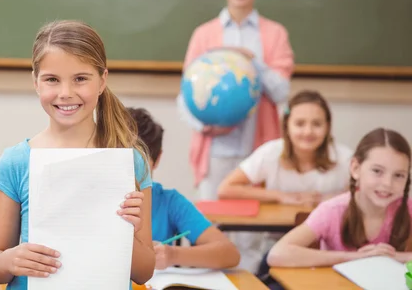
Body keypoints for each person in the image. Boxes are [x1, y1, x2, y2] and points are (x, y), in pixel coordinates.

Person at [0, 21, 155, 290]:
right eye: (52, 79)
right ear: (36, 83)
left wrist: (127, 234)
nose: (65, 93)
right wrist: (9, 260)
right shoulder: (16, 161)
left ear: (102, 81)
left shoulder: (129, 162)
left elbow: (144, 273)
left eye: (80, 78)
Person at [177, 0, 295, 200]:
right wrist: (204, 127)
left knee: (254, 232)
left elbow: (282, 92)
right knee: (213, 223)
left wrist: (253, 63)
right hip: (214, 149)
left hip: (258, 147)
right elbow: (186, 94)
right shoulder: (204, 34)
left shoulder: (275, 34)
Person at [217, 90, 352, 272]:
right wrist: (281, 196)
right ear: (286, 125)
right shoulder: (271, 153)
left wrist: (336, 198)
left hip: (329, 249)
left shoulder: (344, 158)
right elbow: (226, 189)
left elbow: (366, 195)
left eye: (317, 124)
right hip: (278, 246)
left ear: (328, 126)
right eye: (300, 123)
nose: (308, 131)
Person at [268, 128, 412, 268]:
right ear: (355, 168)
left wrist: (394, 258)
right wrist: (356, 257)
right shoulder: (332, 210)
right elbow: (277, 254)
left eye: (399, 175)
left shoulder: (408, 208)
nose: (387, 183)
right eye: (377, 171)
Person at [127, 107, 240, 270]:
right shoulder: (91, 196)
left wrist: (173, 255)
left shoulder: (169, 201)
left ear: (157, 159)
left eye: (139, 167)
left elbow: (230, 254)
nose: (131, 177)